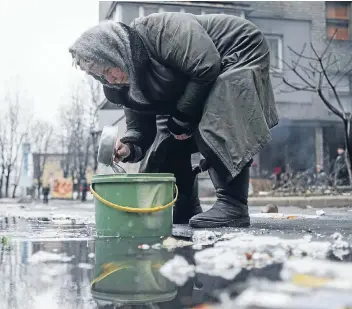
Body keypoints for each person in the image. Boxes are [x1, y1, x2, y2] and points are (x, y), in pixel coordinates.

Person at [69, 12, 278, 228]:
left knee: (219, 114)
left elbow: (206, 65)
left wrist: (182, 116)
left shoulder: (159, 30)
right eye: (100, 76)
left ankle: (233, 205)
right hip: (194, 79)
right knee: (165, 142)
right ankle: (186, 207)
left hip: (236, 50)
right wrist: (130, 146)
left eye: (108, 69)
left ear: (115, 51)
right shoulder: (119, 86)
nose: (109, 79)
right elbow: (141, 128)